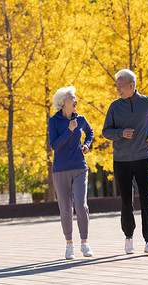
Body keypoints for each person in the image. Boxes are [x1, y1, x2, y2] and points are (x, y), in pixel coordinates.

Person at [102, 69, 148, 255]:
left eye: (120, 86)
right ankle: (128, 237)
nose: (118, 90)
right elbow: (106, 131)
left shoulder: (147, 103)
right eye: (117, 86)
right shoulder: (114, 106)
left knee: (147, 198)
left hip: (145, 158)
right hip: (122, 160)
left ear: (131, 85)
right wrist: (120, 133)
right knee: (126, 201)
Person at [49, 85, 94, 259]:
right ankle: (69, 244)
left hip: (80, 167)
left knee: (81, 205)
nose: (75, 100)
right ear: (62, 103)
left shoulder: (81, 119)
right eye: (72, 98)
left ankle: (85, 242)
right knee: (66, 209)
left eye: (75, 97)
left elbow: (90, 133)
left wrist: (87, 145)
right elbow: (55, 146)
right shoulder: (54, 121)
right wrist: (69, 131)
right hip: (60, 169)